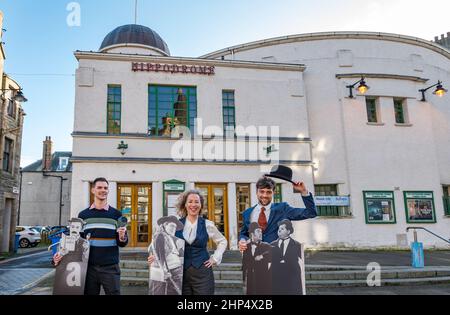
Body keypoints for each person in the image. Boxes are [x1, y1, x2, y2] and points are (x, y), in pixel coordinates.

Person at [53, 177, 128, 295]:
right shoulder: (83, 215)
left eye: (106, 188)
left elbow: (122, 243)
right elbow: (77, 241)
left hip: (110, 267)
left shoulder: (116, 214)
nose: (103, 190)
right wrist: (61, 254)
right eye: (99, 187)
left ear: (108, 191)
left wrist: (122, 236)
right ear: (93, 190)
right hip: (88, 267)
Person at [148, 190, 227, 295]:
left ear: (201, 205)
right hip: (181, 274)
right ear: (185, 204)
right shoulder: (175, 224)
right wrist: (155, 257)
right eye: (190, 201)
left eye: (196, 202)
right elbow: (163, 244)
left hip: (203, 273)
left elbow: (222, 241)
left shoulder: (207, 224)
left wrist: (215, 258)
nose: (193, 205)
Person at [239, 176, 317, 250]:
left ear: (273, 193)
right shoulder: (247, 213)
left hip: (277, 259)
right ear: (257, 192)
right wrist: (242, 240)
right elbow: (244, 233)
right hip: (255, 258)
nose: (265, 195)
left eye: (268, 192)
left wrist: (303, 191)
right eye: (262, 192)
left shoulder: (283, 209)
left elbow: (311, 213)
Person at [149, 216, 184, 295]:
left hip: (175, 271)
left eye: (175, 227)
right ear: (165, 225)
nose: (173, 229)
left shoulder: (169, 237)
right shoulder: (160, 236)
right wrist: (164, 270)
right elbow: (159, 255)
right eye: (171, 226)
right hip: (170, 271)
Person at [271, 219, 305, 295]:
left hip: (291, 279)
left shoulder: (297, 245)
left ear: (288, 231)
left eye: (282, 229)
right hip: (276, 279)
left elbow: (301, 263)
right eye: (279, 229)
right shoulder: (272, 245)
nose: (279, 231)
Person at [242, 222, 272, 295]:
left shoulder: (266, 246)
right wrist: (243, 281)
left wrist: (262, 256)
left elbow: (274, 253)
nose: (260, 233)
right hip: (250, 280)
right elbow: (244, 264)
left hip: (263, 280)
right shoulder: (246, 247)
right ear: (252, 234)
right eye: (258, 231)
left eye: (261, 231)